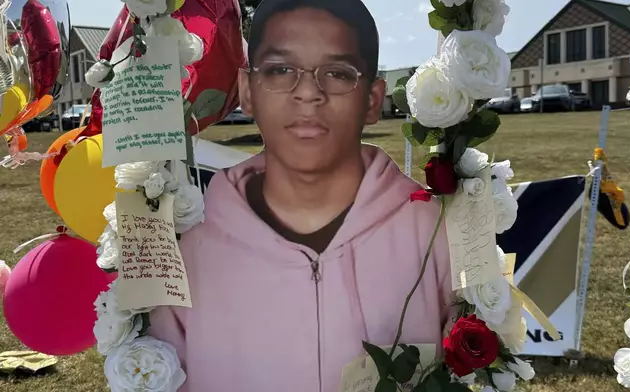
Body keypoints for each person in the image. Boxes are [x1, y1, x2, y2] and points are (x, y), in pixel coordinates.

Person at [148, 0, 454, 390]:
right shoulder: (188, 244)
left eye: (338, 73)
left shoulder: (433, 233)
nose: (308, 92)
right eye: (280, 70)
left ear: (374, 99)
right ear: (248, 91)